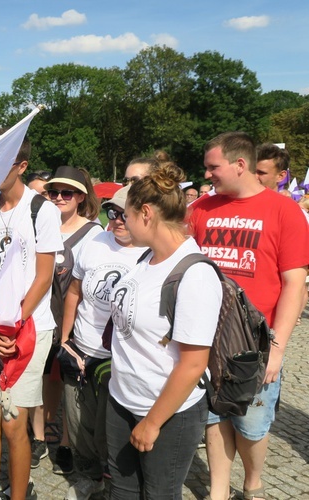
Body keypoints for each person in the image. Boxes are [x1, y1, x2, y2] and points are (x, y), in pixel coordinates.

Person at [188, 132, 309, 500]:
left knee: (251, 425)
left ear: (239, 165)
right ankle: (219, 491)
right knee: (214, 417)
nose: (208, 174)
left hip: (255, 344)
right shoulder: (201, 209)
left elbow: (295, 284)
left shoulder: (284, 210)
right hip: (204, 338)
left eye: (213, 167)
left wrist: (277, 347)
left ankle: (252, 481)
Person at [107, 162, 222, 499]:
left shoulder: (195, 274)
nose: (121, 223)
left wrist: (153, 422)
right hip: (122, 400)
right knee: (123, 491)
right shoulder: (146, 258)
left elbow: (193, 363)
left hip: (167, 413)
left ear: (145, 214)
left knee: (159, 494)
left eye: (125, 215)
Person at [0, 131, 63, 499]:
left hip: (31, 327)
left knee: (12, 421)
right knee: (6, 416)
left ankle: (19, 494)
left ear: (21, 166)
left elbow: (43, 277)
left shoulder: (43, 210)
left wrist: (13, 323)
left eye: (0, 163)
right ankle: (14, 483)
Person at [58, 183, 148, 500]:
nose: (118, 219)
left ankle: (114, 484)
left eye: (125, 213)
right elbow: (74, 291)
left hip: (121, 356)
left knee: (109, 428)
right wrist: (65, 338)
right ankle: (90, 478)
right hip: (82, 345)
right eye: (112, 212)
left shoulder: (150, 251)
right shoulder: (95, 240)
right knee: (77, 421)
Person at [37, 166, 103, 475]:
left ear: (81, 196)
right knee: (41, 375)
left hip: (74, 317)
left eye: (68, 193)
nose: (59, 198)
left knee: (67, 379)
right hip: (39, 313)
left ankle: (65, 440)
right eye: (53, 192)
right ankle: (41, 432)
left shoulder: (94, 232)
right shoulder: (38, 223)